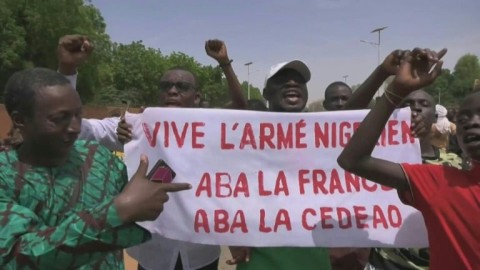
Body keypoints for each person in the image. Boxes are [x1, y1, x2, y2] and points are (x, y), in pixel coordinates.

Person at [0, 68, 191, 269]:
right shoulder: (6, 174)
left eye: (77, 115)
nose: (75, 127)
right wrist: (115, 213)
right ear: (20, 120)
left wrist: (160, 140)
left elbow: (147, 193)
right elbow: (17, 256)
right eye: (59, 118)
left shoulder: (98, 157)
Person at [338, 48, 480, 269]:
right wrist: (395, 90)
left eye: (423, 105)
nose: (471, 122)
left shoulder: (451, 165)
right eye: (463, 118)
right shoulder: (442, 182)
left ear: (436, 118)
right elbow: (352, 158)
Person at [118, 39, 247, 270]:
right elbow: (84, 128)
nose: (173, 90)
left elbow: (241, 113)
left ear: (196, 97)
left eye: (182, 87)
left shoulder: (211, 129)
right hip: (153, 253)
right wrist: (68, 72)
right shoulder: (136, 127)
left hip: (200, 251)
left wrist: (225, 64)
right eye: (166, 86)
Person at [226, 60, 332, 270]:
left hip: (312, 255)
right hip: (259, 256)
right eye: (282, 80)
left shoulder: (326, 134)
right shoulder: (245, 135)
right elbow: (223, 188)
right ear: (266, 93)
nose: (292, 83)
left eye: (299, 81)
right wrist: (233, 235)